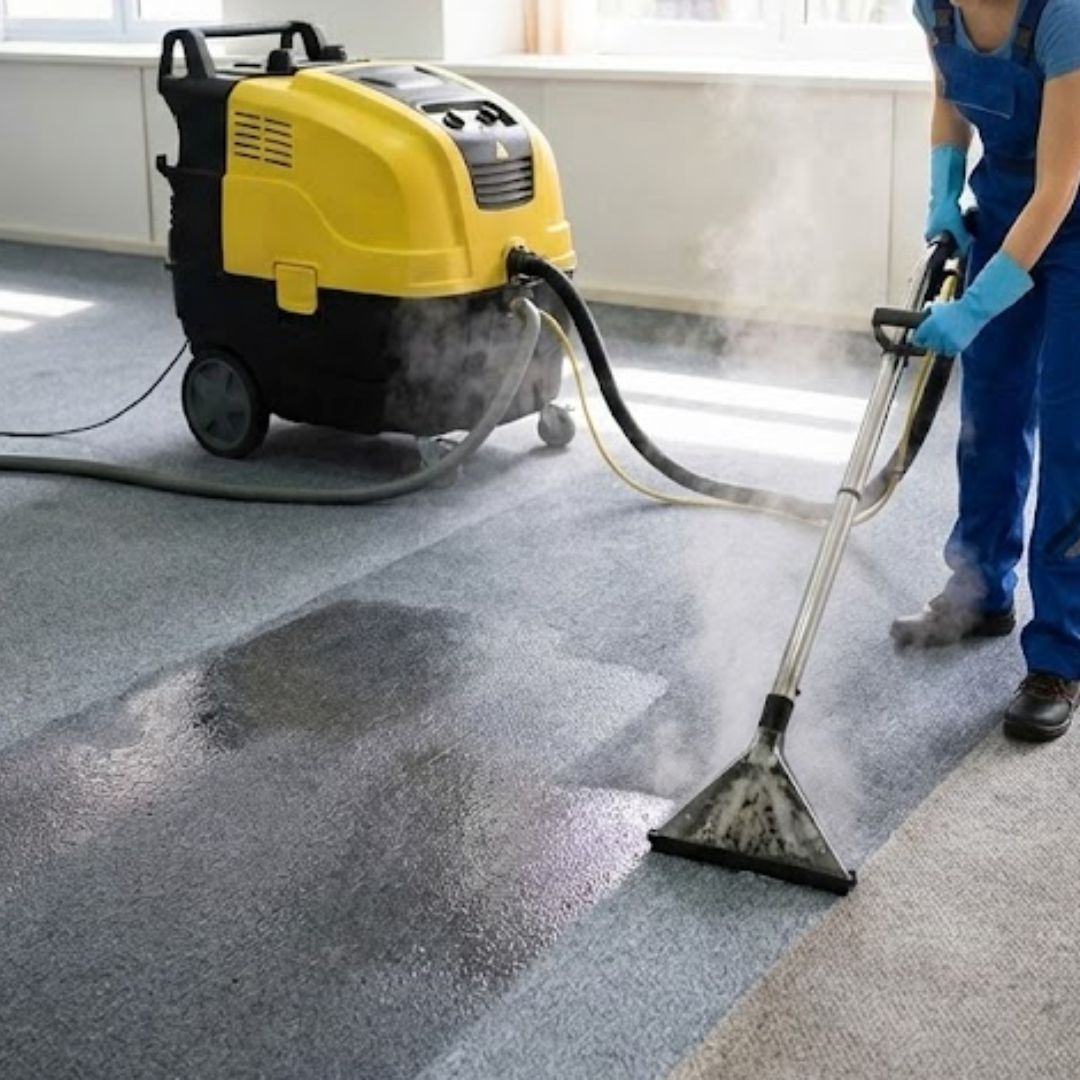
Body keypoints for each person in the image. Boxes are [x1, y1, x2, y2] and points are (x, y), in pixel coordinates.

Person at [891, 0, 1080, 741]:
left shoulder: (1062, 14)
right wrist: (943, 188)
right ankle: (979, 591)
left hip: (1072, 213)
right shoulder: (935, 8)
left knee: (1070, 437)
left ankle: (1061, 652)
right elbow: (949, 97)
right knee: (988, 416)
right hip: (1003, 204)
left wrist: (974, 308)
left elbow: (1061, 180)